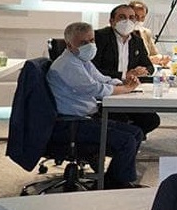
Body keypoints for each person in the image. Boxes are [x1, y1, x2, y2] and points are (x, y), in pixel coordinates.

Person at [46, 21, 145, 189]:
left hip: (84, 118)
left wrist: (122, 83)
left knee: (136, 133)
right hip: (70, 124)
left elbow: (102, 79)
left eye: (91, 40)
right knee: (126, 141)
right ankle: (114, 184)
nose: (90, 45)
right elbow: (96, 89)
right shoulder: (67, 65)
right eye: (83, 42)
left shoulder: (81, 60)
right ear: (69, 45)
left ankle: (113, 180)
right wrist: (126, 89)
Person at [93, 3, 160, 136]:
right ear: (112, 21)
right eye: (122, 17)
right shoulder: (99, 37)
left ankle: (129, 137)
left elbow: (149, 66)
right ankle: (124, 138)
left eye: (131, 18)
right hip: (106, 90)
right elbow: (93, 69)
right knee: (120, 119)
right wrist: (124, 75)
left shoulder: (137, 40)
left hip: (129, 90)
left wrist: (143, 70)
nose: (127, 21)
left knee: (152, 120)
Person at [128, 0, 169, 67]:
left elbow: (155, 54)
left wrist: (162, 59)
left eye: (142, 17)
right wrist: (149, 60)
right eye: (136, 16)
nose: (139, 20)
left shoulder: (146, 32)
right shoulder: (119, 33)